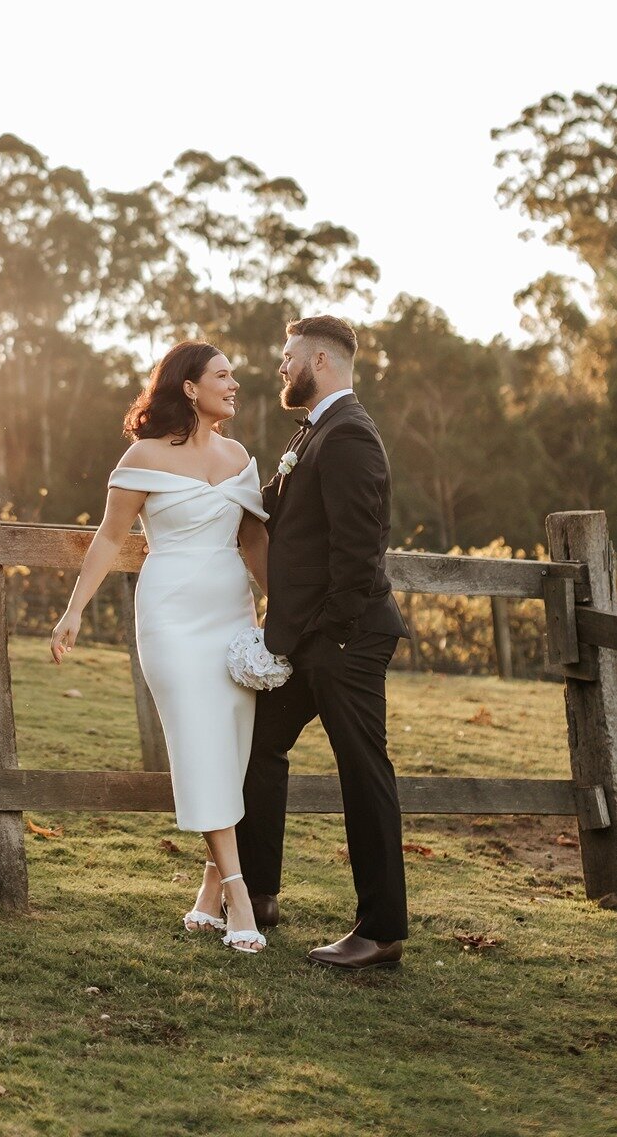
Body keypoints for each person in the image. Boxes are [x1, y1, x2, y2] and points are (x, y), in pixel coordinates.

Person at [49, 341, 271, 952]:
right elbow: (107, 538)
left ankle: (206, 896)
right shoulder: (143, 456)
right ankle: (238, 892)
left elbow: (254, 544)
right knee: (197, 743)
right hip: (171, 617)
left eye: (234, 376)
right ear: (190, 388)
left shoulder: (240, 457)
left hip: (231, 616)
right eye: (223, 376)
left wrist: (282, 618)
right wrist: (73, 613)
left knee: (229, 748)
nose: (234, 385)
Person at [237, 314, 411, 971]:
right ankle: (256, 893)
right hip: (309, 640)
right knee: (256, 745)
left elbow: (359, 552)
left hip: (346, 641)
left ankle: (381, 930)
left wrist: (331, 634)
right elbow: (269, 510)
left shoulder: (348, 437)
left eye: (287, 357)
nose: (279, 368)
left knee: (363, 773)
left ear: (320, 361)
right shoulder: (313, 432)